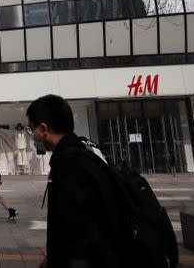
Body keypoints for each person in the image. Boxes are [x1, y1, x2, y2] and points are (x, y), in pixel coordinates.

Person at [26, 94, 127, 268]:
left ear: (44, 129)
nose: (32, 136)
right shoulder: (84, 153)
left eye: (31, 130)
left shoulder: (70, 165)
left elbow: (77, 230)